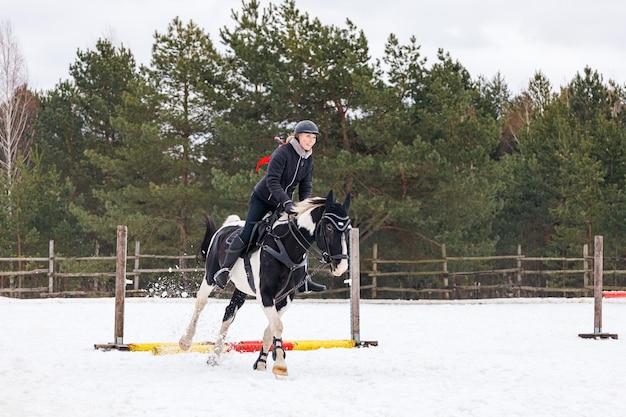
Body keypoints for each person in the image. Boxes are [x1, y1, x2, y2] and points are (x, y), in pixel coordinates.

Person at [213, 120, 326, 292]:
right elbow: (272, 181)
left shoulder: (308, 158)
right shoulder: (283, 152)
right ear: (298, 136)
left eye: (313, 137)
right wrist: (286, 202)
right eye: (307, 136)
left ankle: (303, 278)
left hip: (283, 202)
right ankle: (225, 270)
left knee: (297, 235)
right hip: (263, 199)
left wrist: (305, 207)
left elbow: (306, 186)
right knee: (248, 232)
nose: (310, 140)